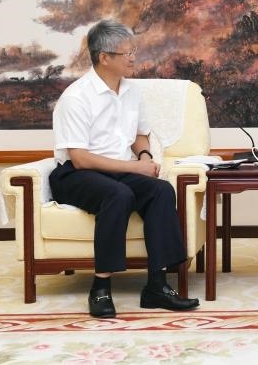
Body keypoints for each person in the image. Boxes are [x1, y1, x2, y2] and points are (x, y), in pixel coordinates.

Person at [50, 19, 199, 318]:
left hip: (117, 170)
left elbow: (138, 135)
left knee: (160, 190)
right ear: (104, 57)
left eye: (133, 51)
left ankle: (157, 286)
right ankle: (100, 287)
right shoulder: (76, 98)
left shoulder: (131, 91)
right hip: (76, 174)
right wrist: (134, 168)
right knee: (118, 195)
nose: (133, 58)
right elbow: (80, 158)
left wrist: (144, 157)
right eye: (127, 53)